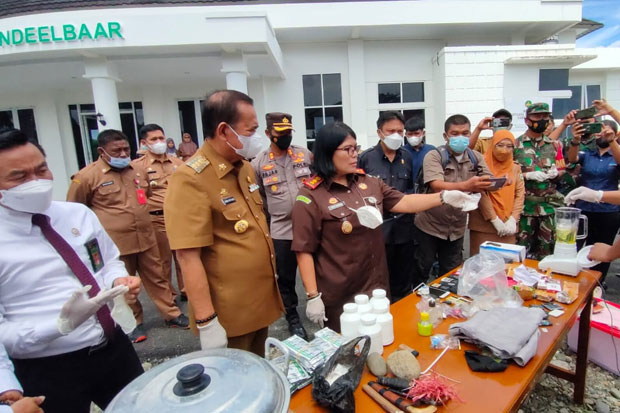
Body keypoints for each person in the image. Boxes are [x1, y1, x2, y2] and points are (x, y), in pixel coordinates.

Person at [0, 128, 143, 413]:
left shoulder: (77, 214)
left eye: (42, 169)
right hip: (47, 368)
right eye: (20, 176)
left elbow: (106, 260)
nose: (36, 181)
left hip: (113, 349)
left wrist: (118, 277)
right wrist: (59, 327)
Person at [291, 121, 476, 331]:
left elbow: (404, 202)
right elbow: (304, 249)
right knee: (348, 351)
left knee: (381, 341)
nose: (354, 154)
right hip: (340, 291)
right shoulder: (310, 196)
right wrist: (313, 295)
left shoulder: (368, 183)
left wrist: (444, 196)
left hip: (375, 285)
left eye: (356, 148)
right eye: (347, 149)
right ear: (327, 152)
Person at [165, 90, 283, 356]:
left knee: (259, 371)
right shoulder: (191, 178)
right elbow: (187, 255)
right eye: (251, 130)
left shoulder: (244, 168)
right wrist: (207, 322)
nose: (257, 137)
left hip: (257, 304)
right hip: (228, 315)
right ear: (224, 130)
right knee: (237, 384)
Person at [67, 129, 188, 343]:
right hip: (116, 242)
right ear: (102, 151)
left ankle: (172, 314)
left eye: (126, 149)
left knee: (158, 277)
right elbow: (75, 210)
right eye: (117, 151)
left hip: (145, 235)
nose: (123, 155)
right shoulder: (87, 177)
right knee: (125, 285)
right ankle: (134, 322)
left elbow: (146, 196)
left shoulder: (136, 170)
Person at [251, 113, 312, 339]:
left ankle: (320, 305)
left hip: (309, 227)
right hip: (281, 229)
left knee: (318, 269)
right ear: (268, 134)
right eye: (280, 134)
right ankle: (293, 317)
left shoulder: (305, 155)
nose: (285, 137)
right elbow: (259, 198)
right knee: (285, 277)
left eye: (288, 133)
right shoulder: (258, 163)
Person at [413, 114, 492, 284]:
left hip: (456, 228)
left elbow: (488, 180)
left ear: (470, 134)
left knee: (450, 274)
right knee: (422, 268)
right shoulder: (434, 156)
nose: (460, 137)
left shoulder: (475, 157)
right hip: (429, 225)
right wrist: (468, 186)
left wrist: (500, 182)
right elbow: (436, 185)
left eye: (465, 133)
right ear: (445, 136)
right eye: (455, 134)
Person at [358, 111, 415, 302]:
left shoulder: (406, 157)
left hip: (404, 229)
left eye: (400, 131)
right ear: (379, 132)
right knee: (378, 280)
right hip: (378, 229)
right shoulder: (366, 158)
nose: (396, 135)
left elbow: (409, 190)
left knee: (403, 279)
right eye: (391, 130)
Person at [131, 124, 187, 301]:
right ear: (144, 143)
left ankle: (187, 289)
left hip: (180, 217)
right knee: (162, 261)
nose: (159, 142)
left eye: (161, 138)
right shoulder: (137, 167)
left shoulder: (177, 163)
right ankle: (168, 295)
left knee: (184, 256)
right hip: (157, 218)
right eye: (154, 139)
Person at [565, 119, 620, 287]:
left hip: (608, 211)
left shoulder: (615, 154)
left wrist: (612, 141)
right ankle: (577, 280)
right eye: (599, 131)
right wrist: (575, 140)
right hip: (584, 208)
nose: (601, 134)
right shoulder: (587, 153)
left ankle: (598, 283)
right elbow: (572, 158)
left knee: (604, 247)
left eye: (606, 131)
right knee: (578, 245)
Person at [514, 102, 566, 260]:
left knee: (547, 256)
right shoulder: (515, 145)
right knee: (521, 255)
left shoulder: (555, 145)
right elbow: (507, 174)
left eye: (545, 117)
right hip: (525, 210)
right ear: (527, 120)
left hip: (548, 209)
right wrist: (526, 175)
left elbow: (562, 169)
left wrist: (555, 173)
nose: (542, 120)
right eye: (537, 116)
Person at [468, 130, 525, 255]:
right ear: (492, 145)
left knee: (507, 266)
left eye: (509, 146)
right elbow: (480, 192)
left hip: (508, 226)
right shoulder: (481, 164)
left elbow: (520, 194)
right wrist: (494, 219)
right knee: (481, 266)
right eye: (500, 145)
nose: (504, 150)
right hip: (483, 227)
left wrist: (513, 219)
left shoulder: (515, 167)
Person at [403, 116, 435, 190]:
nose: (413, 137)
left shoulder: (432, 151)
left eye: (416, 133)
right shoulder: (401, 152)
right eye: (410, 134)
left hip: (427, 192)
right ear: (405, 134)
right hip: (406, 193)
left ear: (423, 133)